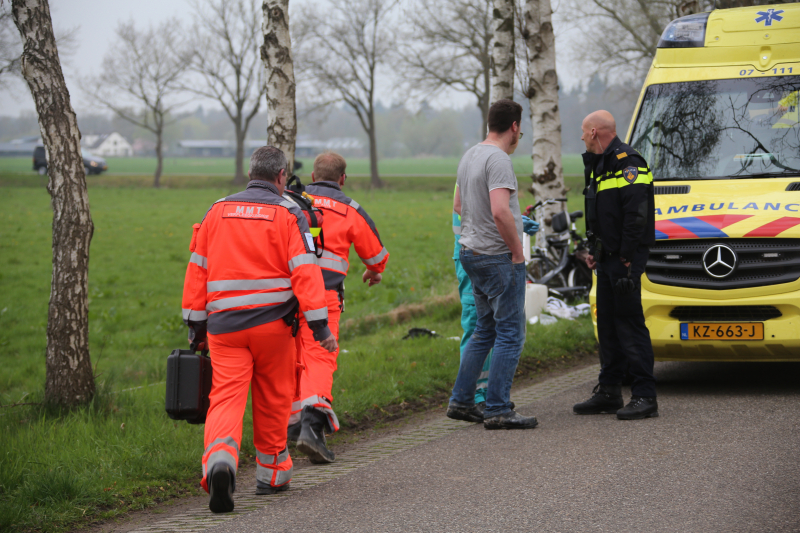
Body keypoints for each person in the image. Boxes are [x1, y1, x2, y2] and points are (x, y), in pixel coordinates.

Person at [181, 146, 337, 513]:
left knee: (225, 398)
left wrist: (195, 324)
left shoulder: (216, 210)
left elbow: (197, 269)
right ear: (282, 176)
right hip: (273, 328)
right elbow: (305, 271)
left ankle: (220, 462)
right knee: (273, 397)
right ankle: (272, 473)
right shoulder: (289, 212)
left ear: (251, 173)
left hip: (223, 328)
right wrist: (320, 326)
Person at [286, 151, 389, 463]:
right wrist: (374, 271)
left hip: (284, 296)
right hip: (324, 296)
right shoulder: (350, 209)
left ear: (314, 176)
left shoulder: (289, 201)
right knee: (319, 358)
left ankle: (288, 430)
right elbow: (376, 255)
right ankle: (312, 428)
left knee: (290, 359)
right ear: (343, 179)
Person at [446, 99, 538, 430]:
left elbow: (459, 204)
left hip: (470, 253)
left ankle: (461, 400)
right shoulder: (499, 159)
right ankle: (498, 407)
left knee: (484, 330)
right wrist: (516, 251)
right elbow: (500, 210)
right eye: (520, 129)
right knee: (510, 333)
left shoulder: (470, 154)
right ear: (514, 127)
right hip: (497, 256)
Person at [573, 110, 658, 420]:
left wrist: (625, 257)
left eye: (583, 131)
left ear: (595, 131)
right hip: (608, 258)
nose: (581, 137)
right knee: (607, 325)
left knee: (628, 323)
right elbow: (603, 215)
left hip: (625, 259)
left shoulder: (629, 163)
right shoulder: (600, 166)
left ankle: (645, 396)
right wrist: (595, 250)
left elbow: (636, 216)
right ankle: (609, 391)